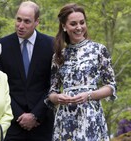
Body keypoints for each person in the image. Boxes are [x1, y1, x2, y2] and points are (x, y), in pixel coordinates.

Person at [44, 3, 117, 141]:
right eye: (73, 24)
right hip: (65, 119)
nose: (79, 27)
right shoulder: (59, 56)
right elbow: (51, 92)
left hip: (91, 116)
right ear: (64, 26)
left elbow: (111, 86)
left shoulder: (99, 50)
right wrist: (58, 98)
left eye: (82, 23)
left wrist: (89, 95)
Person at [0, 1, 54, 141]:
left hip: (43, 124)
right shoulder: (1, 46)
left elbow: (54, 85)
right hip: (11, 123)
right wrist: (20, 115)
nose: (20, 26)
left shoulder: (52, 45)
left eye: (27, 21)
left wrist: (36, 115)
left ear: (37, 22)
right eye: (18, 20)